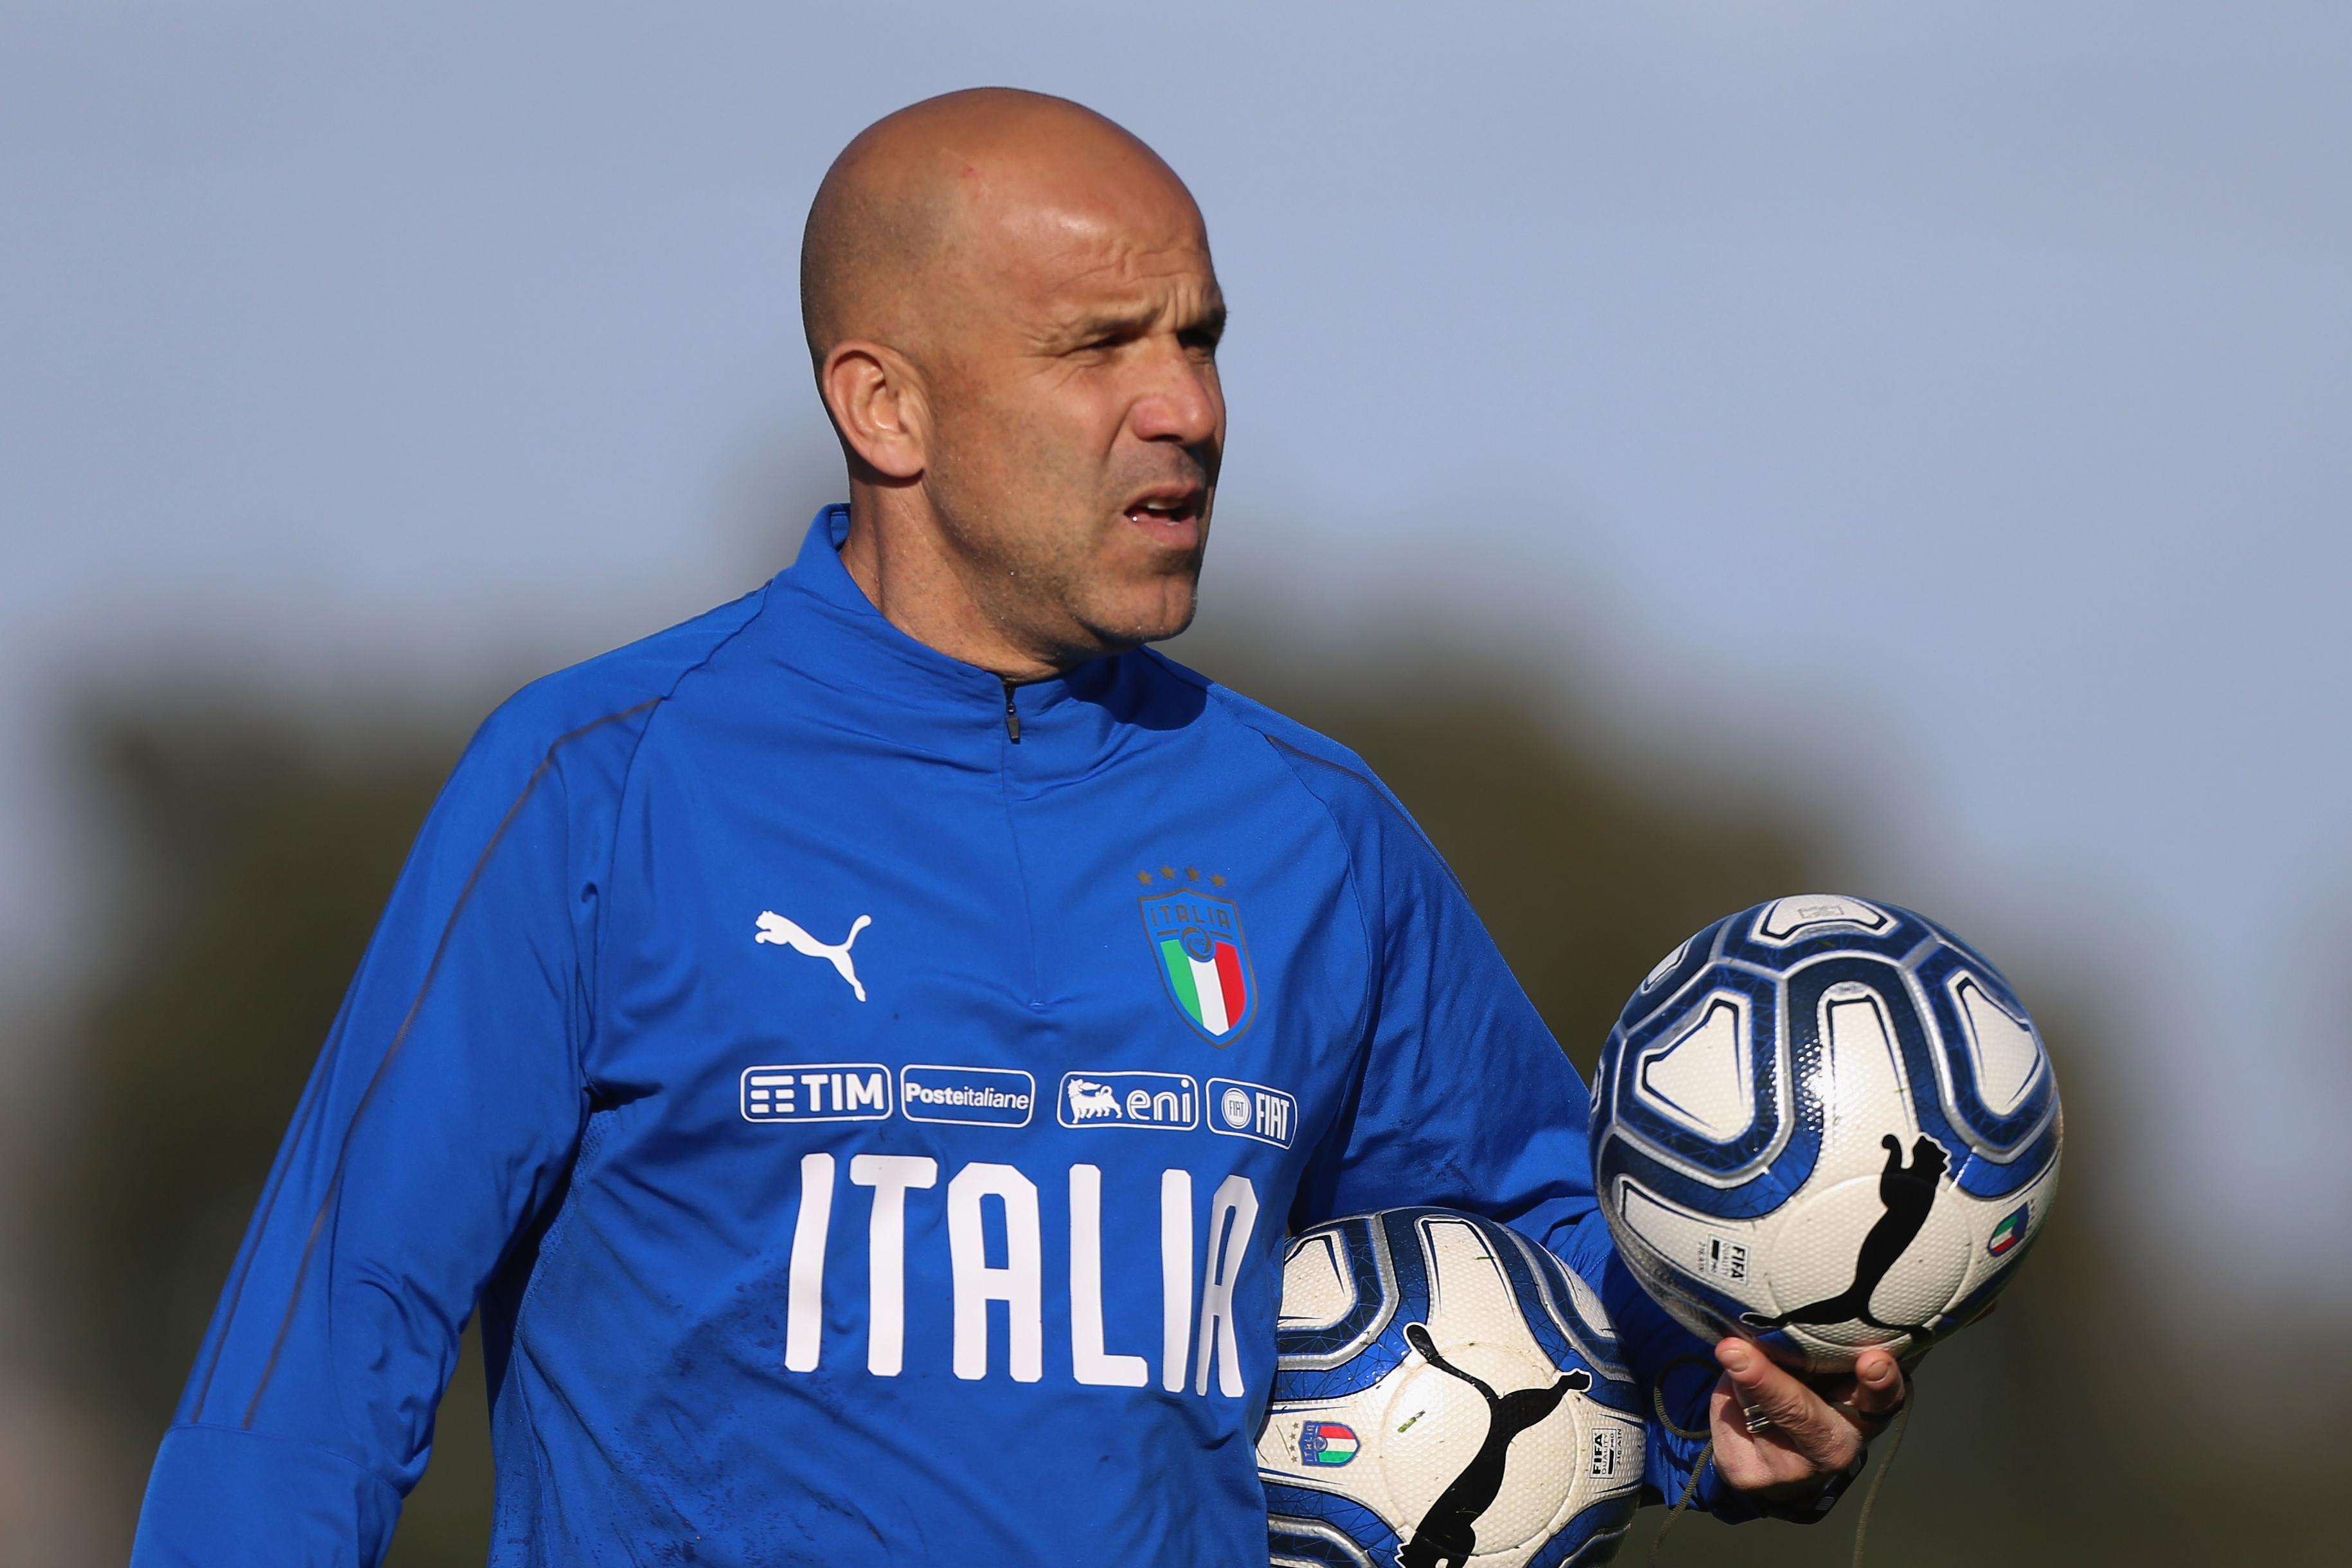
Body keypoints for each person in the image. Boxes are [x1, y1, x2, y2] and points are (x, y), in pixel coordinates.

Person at [129, 88, 1904, 1566]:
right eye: (1098, 349)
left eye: (1201, 341)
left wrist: (1740, 1395)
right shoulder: (601, 785)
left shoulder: (1312, 837)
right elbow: (309, 1382)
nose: (1187, 410)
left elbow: (1575, 1264)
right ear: (880, 402)